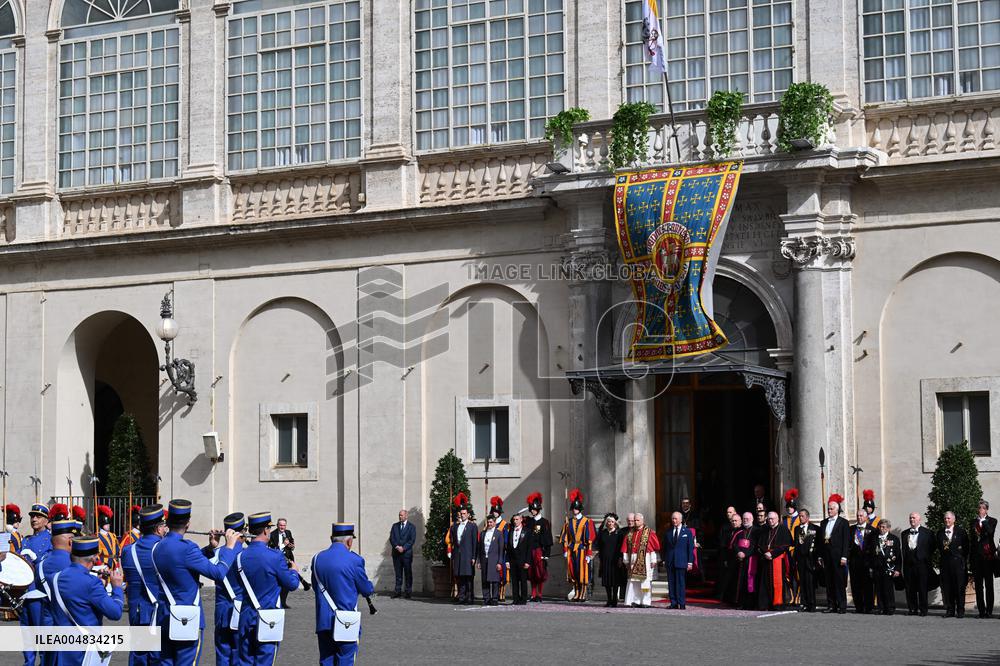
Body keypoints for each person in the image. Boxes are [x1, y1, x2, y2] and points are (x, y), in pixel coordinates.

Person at [151, 499, 240, 665]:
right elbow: (218, 573)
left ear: (168, 521)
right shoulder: (187, 547)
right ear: (188, 523)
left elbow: (181, 562)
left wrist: (210, 548)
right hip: (186, 619)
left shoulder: (158, 546)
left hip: (164, 616)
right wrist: (229, 547)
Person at [48, 536, 124, 666]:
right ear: (94, 559)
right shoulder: (92, 584)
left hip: (59, 651)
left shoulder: (54, 578)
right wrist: (117, 588)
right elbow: (115, 613)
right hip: (82, 653)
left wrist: (99, 584)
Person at [237, 512, 301, 665]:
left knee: (245, 662)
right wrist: (294, 571)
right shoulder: (274, 556)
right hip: (267, 617)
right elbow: (292, 584)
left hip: (246, 616)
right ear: (266, 530)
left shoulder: (240, 556)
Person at [311, 523, 374, 666]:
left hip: (324, 620)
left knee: (326, 660)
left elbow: (316, 587)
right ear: (349, 541)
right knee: (345, 660)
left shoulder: (317, 558)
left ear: (331, 538)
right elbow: (366, 589)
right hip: (346, 620)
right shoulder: (355, 560)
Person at [121, 504, 168, 666]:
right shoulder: (164, 549)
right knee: (158, 658)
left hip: (138, 612)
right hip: (160, 613)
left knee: (139, 658)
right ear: (159, 528)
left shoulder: (128, 551)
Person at [35, 516, 80, 658]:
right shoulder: (75, 566)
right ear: (70, 541)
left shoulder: (40, 565)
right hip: (70, 628)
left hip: (47, 626)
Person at [20, 502, 55, 666]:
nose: (34, 519)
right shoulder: (25, 540)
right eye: (32, 516)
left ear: (46, 519)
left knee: (41, 634)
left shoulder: (50, 540)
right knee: (27, 634)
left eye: (38, 516)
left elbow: (50, 565)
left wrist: (37, 560)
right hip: (25, 592)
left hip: (40, 593)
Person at [209, 512, 247, 666]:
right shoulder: (247, 554)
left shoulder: (217, 553)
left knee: (222, 653)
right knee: (239, 652)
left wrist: (213, 545)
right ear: (242, 532)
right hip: (241, 610)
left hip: (222, 610)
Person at [560, 489, 596, 602]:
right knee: (573, 571)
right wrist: (565, 550)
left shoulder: (587, 521)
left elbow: (589, 539)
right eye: (573, 508)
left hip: (582, 549)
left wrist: (589, 554)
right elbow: (565, 537)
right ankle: (576, 592)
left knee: (582, 572)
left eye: (576, 508)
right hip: (572, 549)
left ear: (579, 509)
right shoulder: (568, 522)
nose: (574, 510)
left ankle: (583, 593)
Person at [817, 494, 850, 614]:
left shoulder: (843, 523)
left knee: (839, 582)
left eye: (831, 509)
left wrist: (844, 556)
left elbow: (846, 541)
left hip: (838, 556)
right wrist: (820, 555)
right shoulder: (823, 522)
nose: (829, 511)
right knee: (829, 582)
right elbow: (820, 541)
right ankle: (831, 605)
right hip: (826, 556)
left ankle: (842, 606)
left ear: (837, 509)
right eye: (828, 509)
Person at [753, 511, 792, 610]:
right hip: (766, 560)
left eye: (772, 518)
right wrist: (765, 553)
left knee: (778, 583)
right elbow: (759, 545)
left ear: (778, 519)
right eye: (769, 519)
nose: (770, 521)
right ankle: (765, 604)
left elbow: (785, 546)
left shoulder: (783, 529)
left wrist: (772, 554)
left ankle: (777, 604)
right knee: (765, 583)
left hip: (778, 561)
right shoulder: (765, 530)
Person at [269, 517, 310, 608]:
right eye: (280, 525)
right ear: (277, 525)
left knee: (287, 580)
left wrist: (289, 545)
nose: (282, 527)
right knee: (278, 581)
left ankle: (283, 602)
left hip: (289, 560)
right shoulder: (272, 534)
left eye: (284, 525)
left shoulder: (288, 533)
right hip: (278, 561)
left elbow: (292, 548)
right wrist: (283, 545)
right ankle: (276, 602)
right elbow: (273, 549)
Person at [621, 512, 659, 607]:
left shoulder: (649, 532)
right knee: (633, 582)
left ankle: (645, 601)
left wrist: (653, 560)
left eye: (638, 520)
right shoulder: (630, 533)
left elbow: (653, 548)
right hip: (632, 559)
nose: (636, 522)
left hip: (645, 560)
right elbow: (625, 548)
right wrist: (625, 560)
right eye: (635, 520)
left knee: (644, 582)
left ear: (642, 521)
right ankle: (634, 600)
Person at [936, 510, 969, 618]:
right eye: (945, 518)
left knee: (959, 587)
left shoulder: (961, 532)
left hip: (958, 564)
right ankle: (950, 610)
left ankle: (960, 610)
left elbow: (966, 548)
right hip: (945, 564)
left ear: (954, 519)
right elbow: (939, 548)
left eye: (949, 518)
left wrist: (962, 561)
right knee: (947, 587)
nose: (947, 520)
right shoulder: (940, 533)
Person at [900, 512, 934, 616]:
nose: (912, 520)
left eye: (914, 518)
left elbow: (932, 547)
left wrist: (924, 557)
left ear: (919, 520)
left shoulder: (928, 533)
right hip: (908, 565)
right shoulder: (904, 533)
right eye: (910, 518)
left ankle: (923, 610)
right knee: (910, 588)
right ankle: (912, 609)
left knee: (922, 587)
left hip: (922, 565)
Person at [447, 493, 477, 605]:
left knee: (468, 578)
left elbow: (475, 543)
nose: (462, 515)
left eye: (464, 513)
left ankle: (469, 597)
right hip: (458, 555)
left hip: (468, 555)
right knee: (460, 577)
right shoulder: (455, 526)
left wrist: (474, 556)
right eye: (461, 513)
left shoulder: (472, 526)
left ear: (468, 514)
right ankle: (462, 596)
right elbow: (452, 540)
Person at [662, 511, 695, 609]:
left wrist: (690, 562)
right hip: (670, 561)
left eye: (676, 518)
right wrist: (664, 559)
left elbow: (690, 548)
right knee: (671, 583)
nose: (674, 520)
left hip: (681, 561)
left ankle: (682, 602)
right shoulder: (668, 532)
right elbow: (664, 547)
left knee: (680, 583)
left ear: (681, 520)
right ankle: (674, 603)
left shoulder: (687, 532)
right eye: (673, 518)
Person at [970, 499, 996, 618]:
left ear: (986, 510)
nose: (980, 510)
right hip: (977, 558)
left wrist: (983, 521)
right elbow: (972, 540)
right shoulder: (973, 522)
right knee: (979, 586)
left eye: (982, 508)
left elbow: (990, 533)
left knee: (989, 586)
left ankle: (989, 611)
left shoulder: (992, 521)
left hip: (988, 557)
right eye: (979, 508)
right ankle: (981, 611)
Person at [524, 492, 552, 602]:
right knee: (531, 573)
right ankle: (533, 594)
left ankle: (539, 594)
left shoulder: (544, 522)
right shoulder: (529, 521)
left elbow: (547, 538)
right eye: (531, 509)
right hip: (530, 550)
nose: (532, 511)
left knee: (540, 573)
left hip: (540, 550)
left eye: (534, 509)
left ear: (538, 509)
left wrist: (546, 554)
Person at [848, 509, 877, 614]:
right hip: (854, 561)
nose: (859, 517)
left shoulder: (873, 530)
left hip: (867, 562)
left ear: (866, 517)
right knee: (855, 585)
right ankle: (858, 607)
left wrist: (872, 563)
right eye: (858, 515)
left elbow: (874, 548)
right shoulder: (851, 529)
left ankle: (868, 607)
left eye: (861, 516)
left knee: (867, 585)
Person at [594, 513, 625, 607]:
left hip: (615, 560)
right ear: (606, 523)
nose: (610, 523)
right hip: (605, 560)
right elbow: (598, 545)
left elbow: (621, 547)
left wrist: (620, 558)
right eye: (608, 522)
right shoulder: (602, 533)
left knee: (615, 581)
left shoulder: (619, 533)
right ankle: (609, 599)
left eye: (612, 522)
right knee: (607, 581)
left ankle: (615, 599)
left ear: (615, 523)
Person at [872, 518, 901, 615]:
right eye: (880, 526)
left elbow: (898, 555)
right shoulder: (874, 538)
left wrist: (897, 569)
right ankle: (880, 607)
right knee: (879, 588)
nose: (881, 529)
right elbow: (871, 554)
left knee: (888, 589)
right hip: (877, 567)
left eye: (884, 527)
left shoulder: (894, 539)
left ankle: (890, 607)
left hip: (889, 567)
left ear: (888, 528)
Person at [792, 509, 819, 612]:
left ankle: (812, 604)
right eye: (799, 516)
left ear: (807, 517)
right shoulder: (797, 529)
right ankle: (803, 603)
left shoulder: (815, 528)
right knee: (802, 582)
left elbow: (817, 544)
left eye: (802, 516)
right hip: (800, 559)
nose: (800, 518)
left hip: (810, 559)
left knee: (810, 582)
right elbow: (796, 544)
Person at [476, 515, 505, 606]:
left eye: (491, 522)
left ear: (495, 523)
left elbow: (501, 549)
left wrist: (500, 562)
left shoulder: (498, 533)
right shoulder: (483, 533)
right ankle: (486, 598)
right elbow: (479, 549)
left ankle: (495, 598)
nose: (489, 524)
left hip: (494, 560)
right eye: (488, 522)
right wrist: (479, 561)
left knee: (495, 580)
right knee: (485, 580)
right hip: (484, 559)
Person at [389, 509, 416, 599]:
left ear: (406, 516)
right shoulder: (395, 526)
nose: (400, 517)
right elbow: (392, 538)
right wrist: (397, 546)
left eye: (402, 515)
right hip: (396, 553)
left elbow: (412, 540)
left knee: (408, 573)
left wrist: (403, 548)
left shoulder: (411, 527)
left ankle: (408, 592)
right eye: (399, 515)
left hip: (406, 554)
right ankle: (397, 591)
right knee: (398, 573)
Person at [505, 513, 531, 605]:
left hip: (523, 560)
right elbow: (508, 547)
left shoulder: (527, 531)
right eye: (514, 520)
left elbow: (529, 548)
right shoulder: (511, 531)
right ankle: (515, 598)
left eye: (517, 519)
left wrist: (528, 561)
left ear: (521, 520)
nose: (515, 521)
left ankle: (523, 599)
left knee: (523, 580)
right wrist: (507, 560)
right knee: (514, 581)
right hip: (513, 559)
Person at [718, 512, 743, 605]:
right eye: (732, 521)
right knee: (728, 580)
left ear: (740, 522)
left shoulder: (743, 532)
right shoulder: (729, 531)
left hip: (738, 559)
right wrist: (725, 559)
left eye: (736, 521)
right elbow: (724, 546)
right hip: (729, 558)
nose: (734, 522)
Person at [782, 489, 801, 604]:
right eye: (788, 507)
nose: (789, 508)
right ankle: (791, 596)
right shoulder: (783, 519)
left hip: (796, 550)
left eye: (791, 507)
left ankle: (798, 597)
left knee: (797, 574)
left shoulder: (800, 519)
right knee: (787, 573)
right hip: (786, 551)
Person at [488, 496, 509, 602]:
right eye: (493, 511)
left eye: (496, 511)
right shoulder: (490, 523)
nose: (495, 513)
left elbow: (506, 539)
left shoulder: (504, 524)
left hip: (501, 551)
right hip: (491, 552)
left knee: (502, 573)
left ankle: (502, 592)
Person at [735, 512, 756, 609]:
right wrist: (739, 552)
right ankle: (740, 603)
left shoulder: (757, 531)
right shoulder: (739, 532)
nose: (745, 520)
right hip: (740, 560)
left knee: (751, 582)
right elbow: (735, 544)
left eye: (747, 518)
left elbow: (755, 546)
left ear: (752, 519)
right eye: (744, 518)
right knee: (741, 582)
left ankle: (750, 604)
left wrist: (745, 554)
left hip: (752, 560)